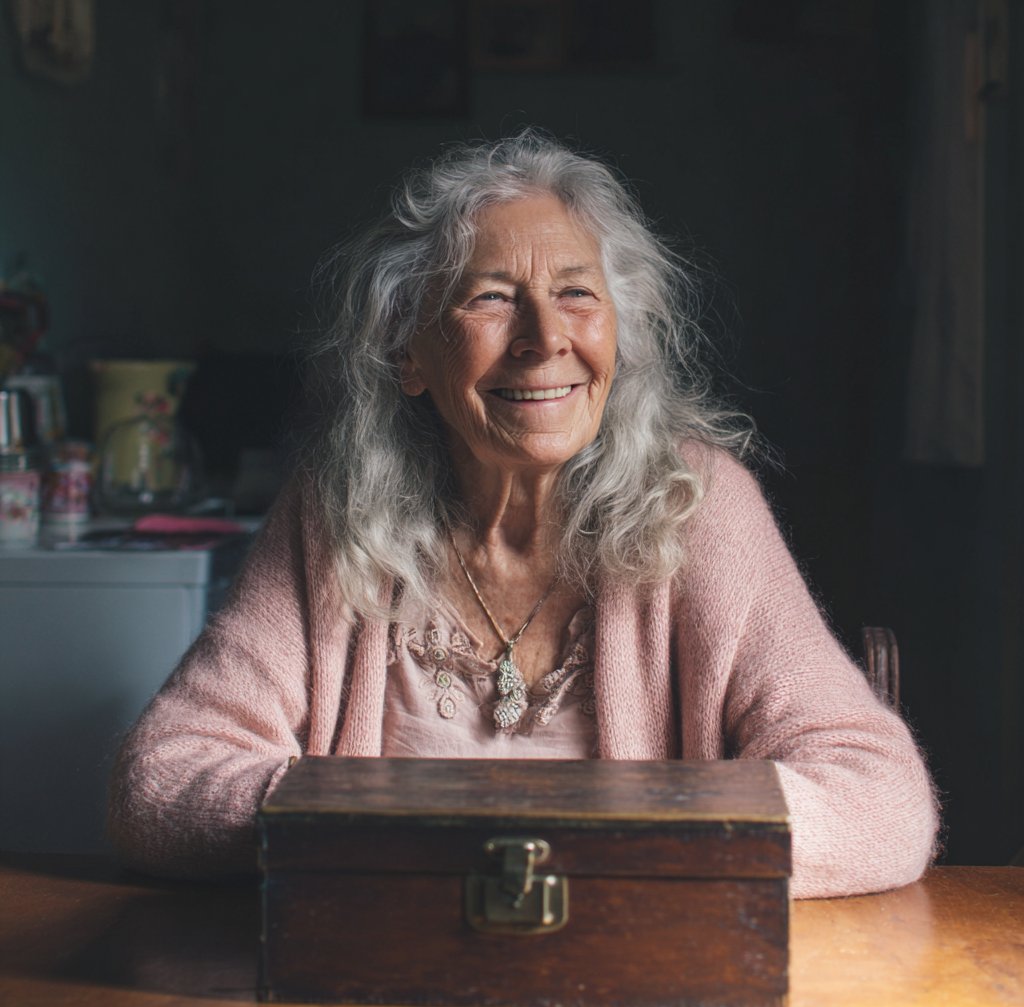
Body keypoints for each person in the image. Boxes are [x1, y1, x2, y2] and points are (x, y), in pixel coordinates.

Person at [108, 131, 938, 899]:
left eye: (577, 292)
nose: (545, 338)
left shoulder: (698, 505)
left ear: (622, 334)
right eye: (492, 299)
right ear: (410, 354)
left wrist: (631, 848)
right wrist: (360, 833)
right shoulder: (339, 513)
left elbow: (881, 800)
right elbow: (163, 782)